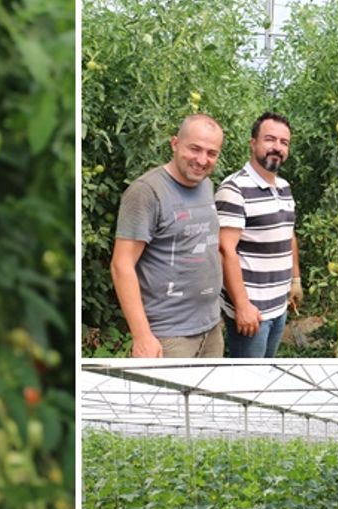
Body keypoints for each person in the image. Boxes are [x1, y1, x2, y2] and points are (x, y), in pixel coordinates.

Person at [110, 114, 224, 358]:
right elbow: (121, 265)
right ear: (175, 143)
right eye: (195, 149)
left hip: (211, 327)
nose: (202, 160)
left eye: (211, 153)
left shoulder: (206, 185)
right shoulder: (146, 191)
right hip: (169, 336)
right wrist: (142, 336)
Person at [215, 112, 300, 358]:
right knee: (248, 377)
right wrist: (242, 306)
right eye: (270, 139)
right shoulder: (234, 189)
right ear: (253, 143)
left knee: (266, 372)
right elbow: (224, 250)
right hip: (252, 312)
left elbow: (288, 234)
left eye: (284, 142)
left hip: (279, 305)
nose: (277, 147)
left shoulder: (284, 187)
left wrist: (295, 279)